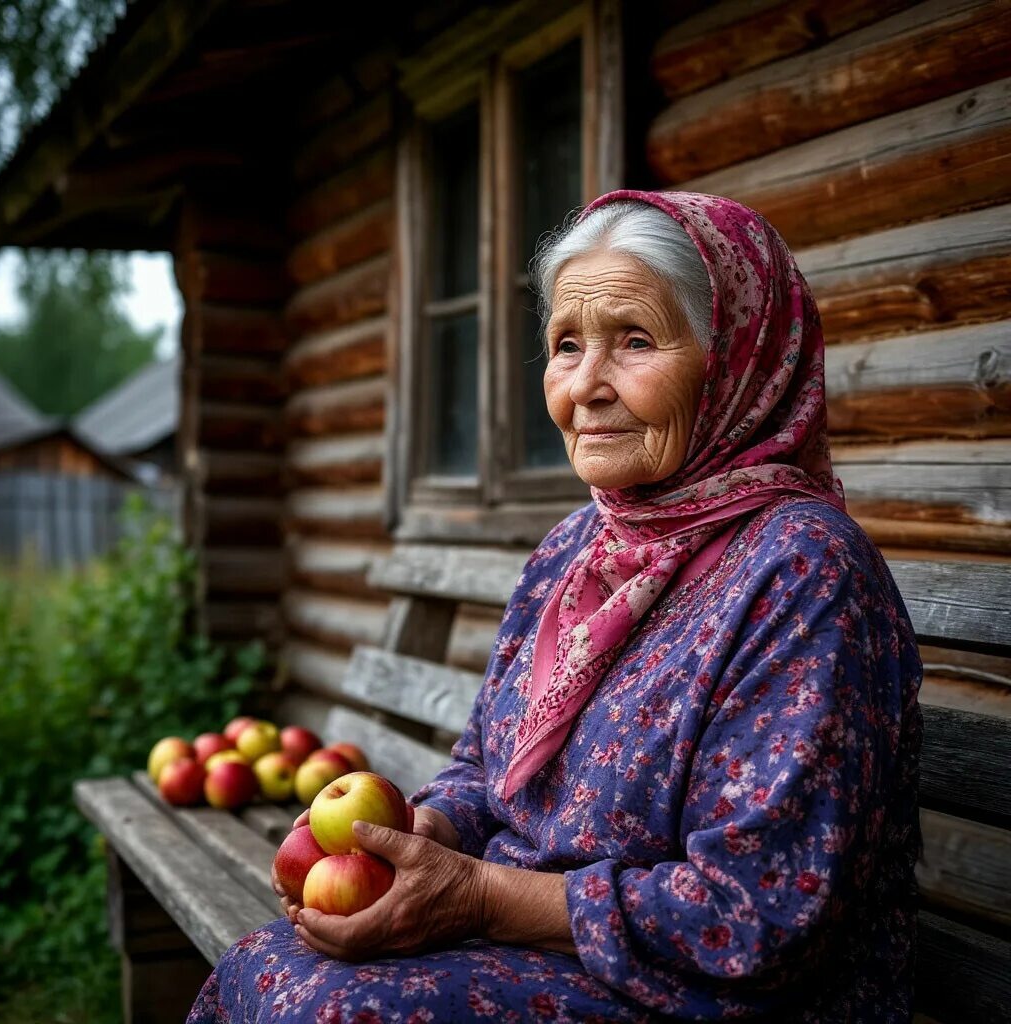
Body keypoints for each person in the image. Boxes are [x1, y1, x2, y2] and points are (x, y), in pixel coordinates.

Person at [188, 190, 922, 1023]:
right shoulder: (577, 550)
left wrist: (481, 898)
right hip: (543, 945)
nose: (585, 386)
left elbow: (756, 913)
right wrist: (432, 837)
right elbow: (484, 770)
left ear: (738, 360)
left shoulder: (803, 571)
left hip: (707, 996)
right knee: (270, 962)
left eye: (635, 341)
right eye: (565, 345)